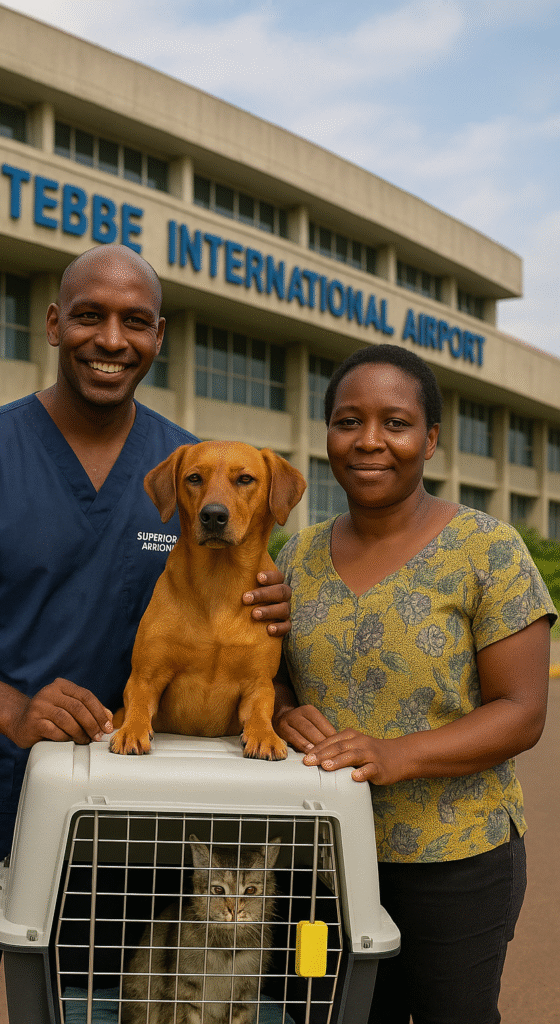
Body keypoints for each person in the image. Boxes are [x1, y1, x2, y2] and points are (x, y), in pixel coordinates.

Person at [0, 244, 291, 1024]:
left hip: (131, 797)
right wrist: (9, 710)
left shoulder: (187, 469)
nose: (111, 339)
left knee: (108, 1002)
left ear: (158, 336)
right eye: (90, 317)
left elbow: (239, 591)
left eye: (134, 322)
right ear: (53, 324)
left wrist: (272, 601)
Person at [272, 344, 555, 1024]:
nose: (369, 441)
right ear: (328, 434)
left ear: (429, 439)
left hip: (454, 864)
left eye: (394, 423)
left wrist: (395, 755)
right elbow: (273, 680)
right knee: (318, 1008)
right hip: (316, 871)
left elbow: (521, 712)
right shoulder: (296, 557)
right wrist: (282, 714)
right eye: (348, 421)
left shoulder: (488, 550)